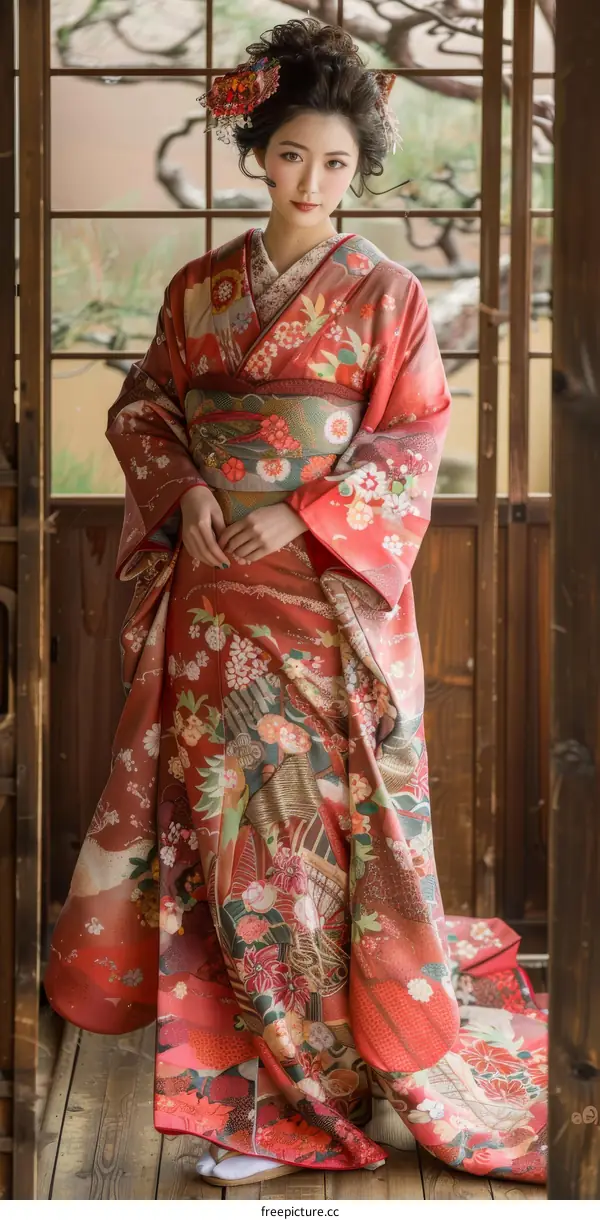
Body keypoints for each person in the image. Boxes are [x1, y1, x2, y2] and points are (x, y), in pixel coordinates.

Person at [45, 18, 548, 1188]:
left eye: (336, 164)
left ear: (359, 170)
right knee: (223, 846)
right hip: (217, 607)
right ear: (256, 155)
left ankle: (350, 1077)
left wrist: (307, 512)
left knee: (328, 848)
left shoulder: (388, 295)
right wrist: (188, 487)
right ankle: (260, 1092)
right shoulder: (198, 290)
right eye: (290, 157)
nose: (312, 182)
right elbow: (144, 411)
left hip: (328, 610)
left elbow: (413, 437)